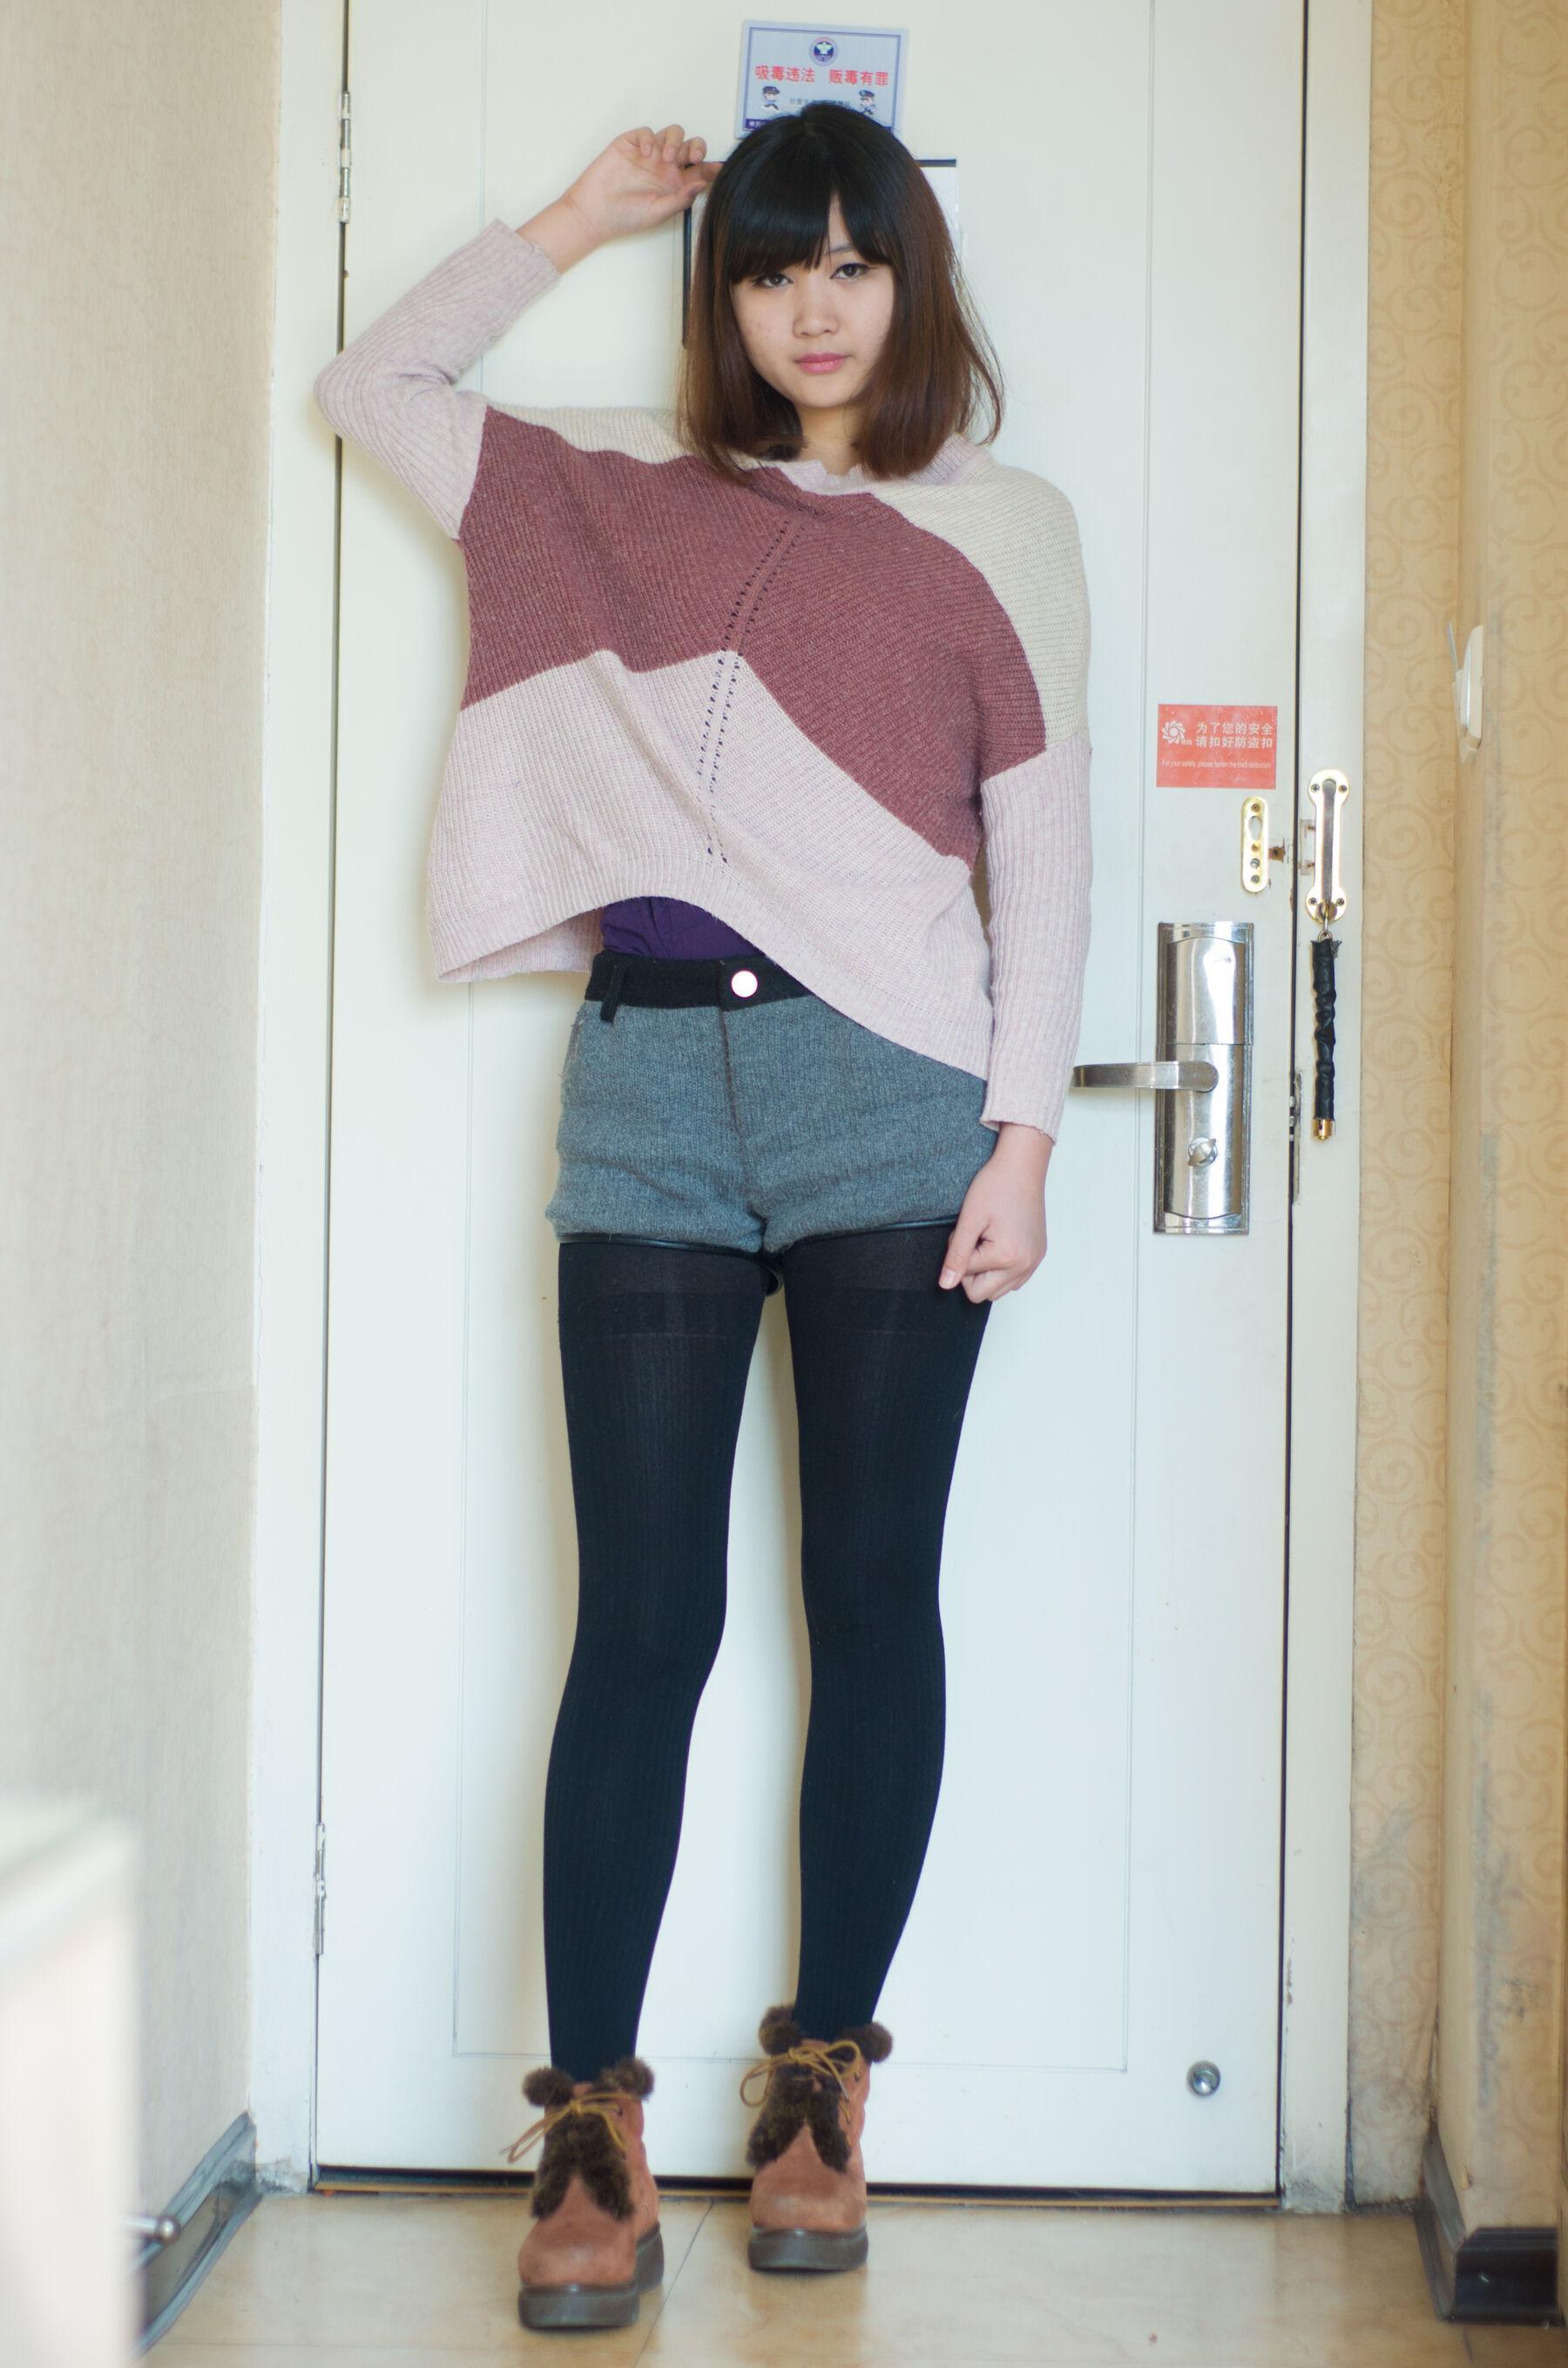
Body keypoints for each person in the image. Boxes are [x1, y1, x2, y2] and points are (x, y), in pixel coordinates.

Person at [313, 104, 1092, 2336]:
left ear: (909, 280)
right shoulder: (615, 488)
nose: (812, 307)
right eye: (768, 266)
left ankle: (823, 2082)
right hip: (651, 1095)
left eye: (850, 261)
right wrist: (575, 217)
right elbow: (375, 386)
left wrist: (1024, 1137)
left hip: (896, 1108)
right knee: (642, 1624)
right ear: (722, 294)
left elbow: (1042, 845)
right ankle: (591, 2127)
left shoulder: (1010, 528)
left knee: (872, 1597)